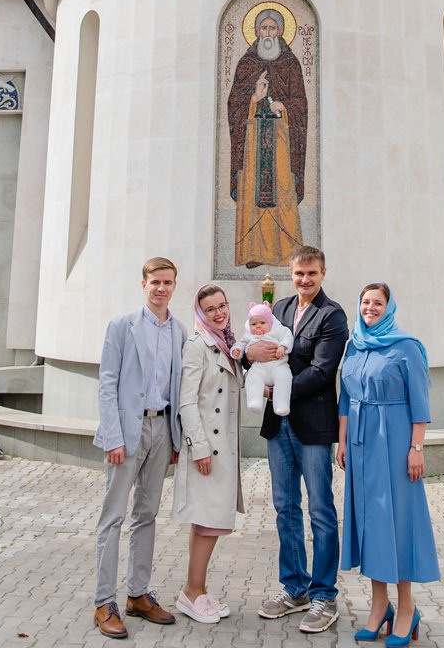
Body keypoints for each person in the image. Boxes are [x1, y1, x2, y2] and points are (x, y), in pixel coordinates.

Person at [336, 283, 440, 646]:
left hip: (395, 442)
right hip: (361, 445)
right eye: (365, 302)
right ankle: (379, 606)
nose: (370, 308)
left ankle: (408, 608)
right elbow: (346, 398)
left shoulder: (406, 347)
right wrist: (343, 441)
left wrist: (417, 448)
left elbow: (420, 403)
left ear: (389, 307)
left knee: (398, 523)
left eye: (377, 303)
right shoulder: (354, 345)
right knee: (370, 524)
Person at [252, 246, 348, 634]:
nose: (305, 280)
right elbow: (265, 351)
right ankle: (295, 588)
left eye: (311, 274)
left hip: (311, 424)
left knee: (321, 510)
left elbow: (323, 370)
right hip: (279, 425)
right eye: (298, 274)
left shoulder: (333, 315)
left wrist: (278, 390)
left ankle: (324, 594)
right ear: (290, 274)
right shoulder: (281, 309)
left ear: (323, 273)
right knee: (285, 507)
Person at [92, 257, 187, 640]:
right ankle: (104, 602)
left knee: (146, 515)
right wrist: (113, 436)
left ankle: (137, 594)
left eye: (167, 282)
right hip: (127, 433)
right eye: (155, 282)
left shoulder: (179, 331)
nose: (161, 288)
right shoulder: (122, 326)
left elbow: (178, 387)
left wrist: (176, 439)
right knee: (112, 517)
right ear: (143, 284)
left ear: (174, 286)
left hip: (161, 429)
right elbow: (107, 382)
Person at [172, 284, 244, 625]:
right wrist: (198, 447)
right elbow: (187, 401)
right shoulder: (197, 346)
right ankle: (191, 592)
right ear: (201, 313)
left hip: (223, 449)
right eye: (210, 309)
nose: (218, 313)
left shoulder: (228, 344)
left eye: (222, 306)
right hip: (206, 450)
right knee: (206, 524)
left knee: (208, 523)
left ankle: (196, 588)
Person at [228, 6, 308, 266]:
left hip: (282, 141)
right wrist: (254, 99)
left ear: (282, 32)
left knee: (282, 191)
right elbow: (234, 104)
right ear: (256, 31)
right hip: (252, 141)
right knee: (252, 191)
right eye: (264, 28)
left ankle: (286, 253)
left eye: (273, 28)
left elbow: (301, 103)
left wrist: (283, 106)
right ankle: (252, 252)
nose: (268, 33)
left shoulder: (290, 63)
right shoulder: (247, 63)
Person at [231, 300, 293, 414]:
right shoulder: (249, 334)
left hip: (278, 366)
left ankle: (281, 405)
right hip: (259, 367)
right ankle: (254, 402)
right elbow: (241, 343)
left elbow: (288, 336)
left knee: (284, 378)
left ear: (270, 322)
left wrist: (283, 347)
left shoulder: (278, 330)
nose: (258, 326)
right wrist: (237, 350)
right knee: (252, 378)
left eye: (262, 323)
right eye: (254, 324)